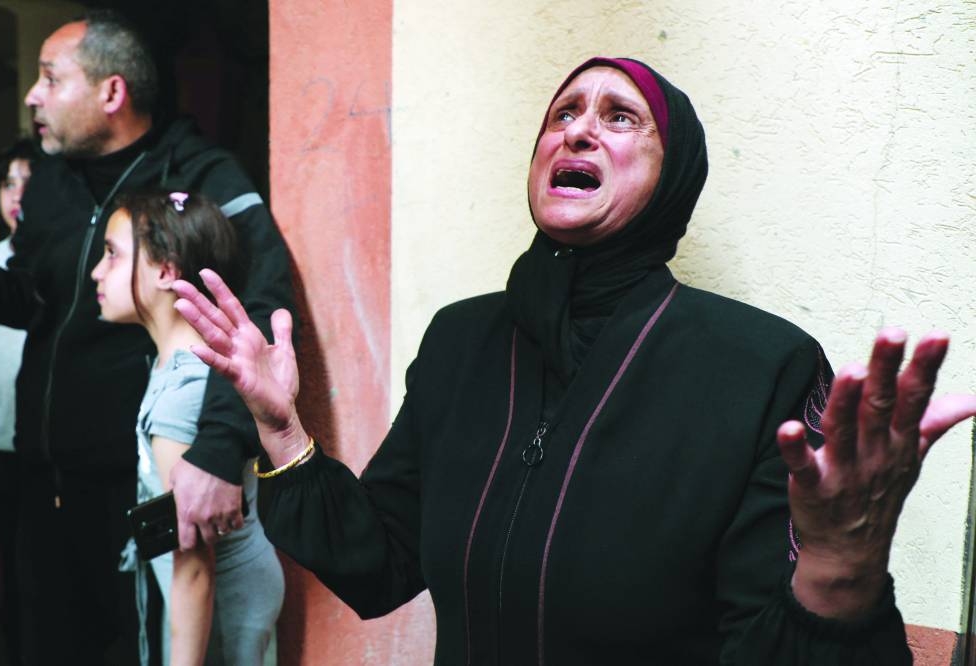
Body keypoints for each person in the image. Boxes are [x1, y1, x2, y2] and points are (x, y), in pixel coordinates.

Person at [174, 57, 976, 665]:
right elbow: (382, 563)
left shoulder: (760, 365)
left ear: (674, 177)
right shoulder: (461, 342)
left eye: (621, 117)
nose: (578, 129)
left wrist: (841, 565)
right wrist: (281, 432)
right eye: (563, 113)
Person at [0, 11, 295, 665]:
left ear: (111, 93)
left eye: (49, 78)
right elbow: (39, 304)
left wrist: (214, 452)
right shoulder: (48, 179)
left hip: (141, 492)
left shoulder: (200, 176)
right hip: (43, 486)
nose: (33, 96)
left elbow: (259, 312)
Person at [91, 190, 283, 666]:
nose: (97, 271)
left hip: (216, 604)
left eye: (112, 255)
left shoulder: (183, 389)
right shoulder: (174, 365)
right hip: (214, 598)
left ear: (165, 271)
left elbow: (194, 565)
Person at [0, 137, 38, 666]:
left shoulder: (60, 266)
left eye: (28, 181)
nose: (17, 193)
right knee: (5, 568)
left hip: (45, 442)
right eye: (7, 182)